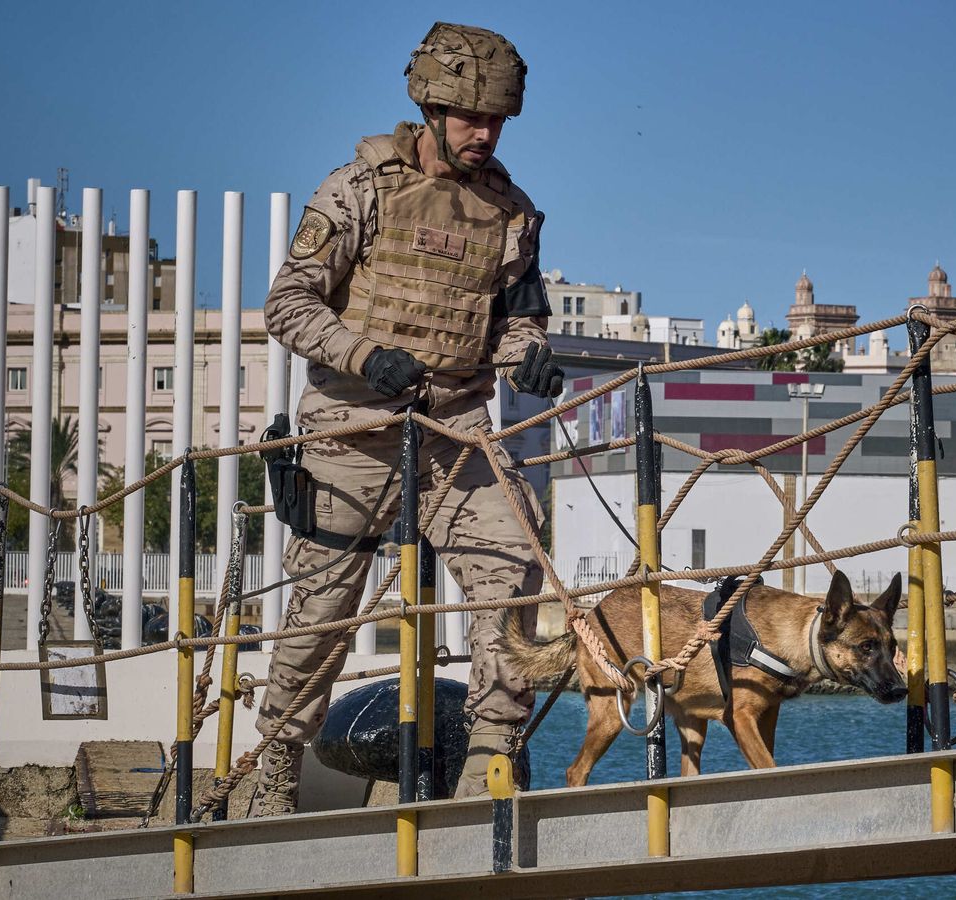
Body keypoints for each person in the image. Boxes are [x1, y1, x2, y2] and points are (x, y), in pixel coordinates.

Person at [254, 21, 564, 815]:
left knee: (514, 569)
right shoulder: (359, 190)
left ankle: (489, 772)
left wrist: (528, 356)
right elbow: (287, 304)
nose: (484, 134)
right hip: (352, 432)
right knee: (321, 613)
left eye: (496, 121)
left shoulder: (512, 213)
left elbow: (519, 321)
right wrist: (364, 356)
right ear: (431, 108)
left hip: (454, 435)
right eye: (470, 118)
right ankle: (273, 774)